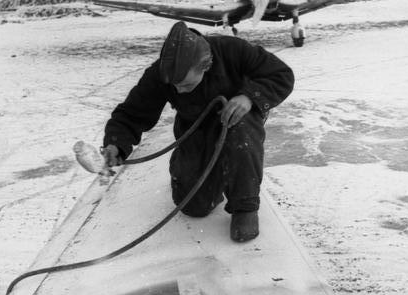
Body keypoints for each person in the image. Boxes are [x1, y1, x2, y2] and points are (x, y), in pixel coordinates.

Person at [102, 21, 294, 242]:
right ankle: (197, 171)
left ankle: (245, 206)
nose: (178, 90)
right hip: (195, 126)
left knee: (240, 132)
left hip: (238, 119)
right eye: (174, 86)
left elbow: (282, 75)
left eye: (184, 85)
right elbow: (132, 113)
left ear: (206, 65)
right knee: (194, 207)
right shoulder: (161, 73)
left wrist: (250, 97)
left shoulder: (232, 50)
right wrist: (116, 143)